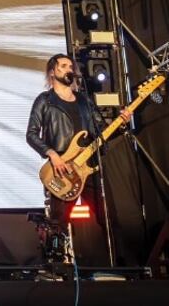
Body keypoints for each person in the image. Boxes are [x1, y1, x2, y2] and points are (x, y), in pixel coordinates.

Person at [26, 53, 131, 260]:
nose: (69, 70)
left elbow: (100, 133)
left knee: (108, 218)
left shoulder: (84, 101)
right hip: (62, 169)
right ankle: (56, 266)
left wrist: (121, 124)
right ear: (53, 72)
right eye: (63, 66)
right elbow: (31, 134)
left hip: (89, 167)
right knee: (59, 221)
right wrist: (52, 154)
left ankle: (122, 265)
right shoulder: (45, 100)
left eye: (70, 66)